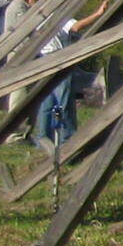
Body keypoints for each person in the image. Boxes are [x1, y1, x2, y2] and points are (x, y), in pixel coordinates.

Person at [33, 12, 84, 148]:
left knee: (46, 103)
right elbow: (76, 27)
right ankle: (67, 140)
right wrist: (98, 14)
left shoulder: (38, 17)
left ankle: (43, 139)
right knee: (64, 103)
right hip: (59, 59)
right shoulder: (59, 16)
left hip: (44, 60)